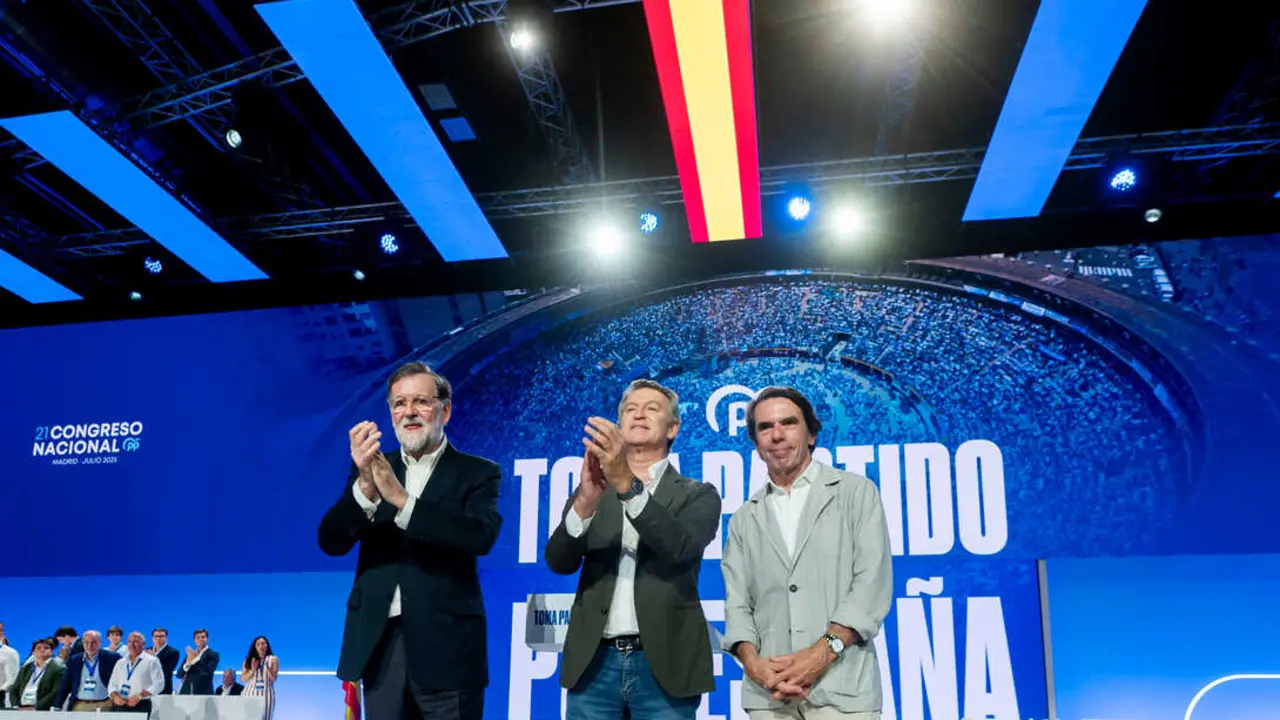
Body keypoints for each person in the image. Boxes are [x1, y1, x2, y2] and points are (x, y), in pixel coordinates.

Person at [318, 362, 503, 720]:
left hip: (448, 650)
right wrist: (365, 489)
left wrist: (402, 501)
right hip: (379, 647)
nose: (409, 412)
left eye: (421, 401)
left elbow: (479, 536)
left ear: (444, 411)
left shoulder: (478, 472)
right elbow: (331, 541)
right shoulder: (372, 468)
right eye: (399, 403)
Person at [545, 379, 722, 720]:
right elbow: (558, 561)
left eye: (651, 409)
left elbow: (678, 547)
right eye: (630, 409)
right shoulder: (592, 490)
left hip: (665, 667)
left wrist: (625, 483)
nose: (638, 414)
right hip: (594, 665)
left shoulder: (698, 494)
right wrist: (584, 504)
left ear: (672, 428)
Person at [721, 386, 894, 719]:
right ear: (756, 444)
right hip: (769, 694)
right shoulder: (744, 518)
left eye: (788, 423)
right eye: (765, 427)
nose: (777, 435)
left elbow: (871, 586)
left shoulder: (856, 493)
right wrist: (753, 664)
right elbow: (738, 604)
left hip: (841, 691)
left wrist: (820, 655)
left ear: (811, 434)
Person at [54, 629, 120, 711]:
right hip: (79, 705)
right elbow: (65, 685)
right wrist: (57, 706)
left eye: (93, 642)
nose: (89, 646)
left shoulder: (112, 658)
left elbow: (120, 681)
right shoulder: (74, 660)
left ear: (100, 642)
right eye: (86, 642)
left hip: (104, 705)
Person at [107, 631, 165, 715]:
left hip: (141, 704)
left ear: (143, 644)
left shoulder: (152, 661)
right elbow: (112, 684)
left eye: (136, 641)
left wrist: (139, 696)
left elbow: (159, 684)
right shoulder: (120, 662)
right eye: (129, 642)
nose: (132, 644)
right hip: (120, 705)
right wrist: (115, 696)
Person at [8, 638, 64, 711]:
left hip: (42, 709)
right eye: (38, 648)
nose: (42, 650)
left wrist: (36, 707)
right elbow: (14, 689)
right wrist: (16, 706)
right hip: (21, 708)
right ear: (33, 652)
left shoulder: (58, 669)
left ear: (51, 652)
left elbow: (55, 691)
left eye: (46, 648)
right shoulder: (26, 668)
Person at [240, 636, 278, 720]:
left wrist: (268, 668)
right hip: (249, 693)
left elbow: (274, 679)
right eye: (258, 644)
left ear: (267, 645)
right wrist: (252, 671)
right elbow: (243, 678)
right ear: (255, 647)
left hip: (266, 694)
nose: (261, 646)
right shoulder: (248, 659)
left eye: (263, 643)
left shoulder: (273, 659)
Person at [176, 628, 220, 695]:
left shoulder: (213, 654)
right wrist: (187, 664)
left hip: (203, 693)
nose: (200, 639)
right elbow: (179, 675)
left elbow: (208, 673)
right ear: (194, 640)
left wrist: (195, 659)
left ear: (207, 639)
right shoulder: (190, 655)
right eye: (198, 637)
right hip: (186, 692)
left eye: (203, 637)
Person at [147, 628, 180, 695]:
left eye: (161, 636)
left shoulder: (173, 652)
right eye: (156, 636)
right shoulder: (147, 650)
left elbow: (166, 671)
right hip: (147, 688)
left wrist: (154, 658)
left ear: (166, 638)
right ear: (152, 638)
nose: (158, 638)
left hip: (164, 690)